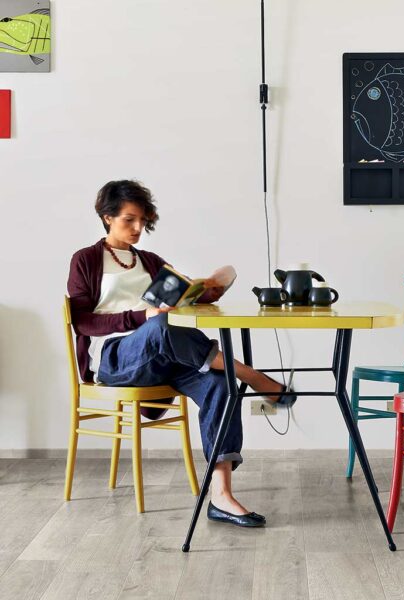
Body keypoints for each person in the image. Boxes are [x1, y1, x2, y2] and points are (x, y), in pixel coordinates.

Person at [67, 180, 296, 527]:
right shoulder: (85, 260)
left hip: (163, 354)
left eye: (142, 220)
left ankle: (221, 496)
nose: (138, 228)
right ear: (107, 217)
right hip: (115, 356)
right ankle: (249, 374)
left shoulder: (150, 261)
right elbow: (82, 321)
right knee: (160, 326)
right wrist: (141, 316)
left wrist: (210, 287)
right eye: (129, 219)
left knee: (219, 384)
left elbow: (183, 294)